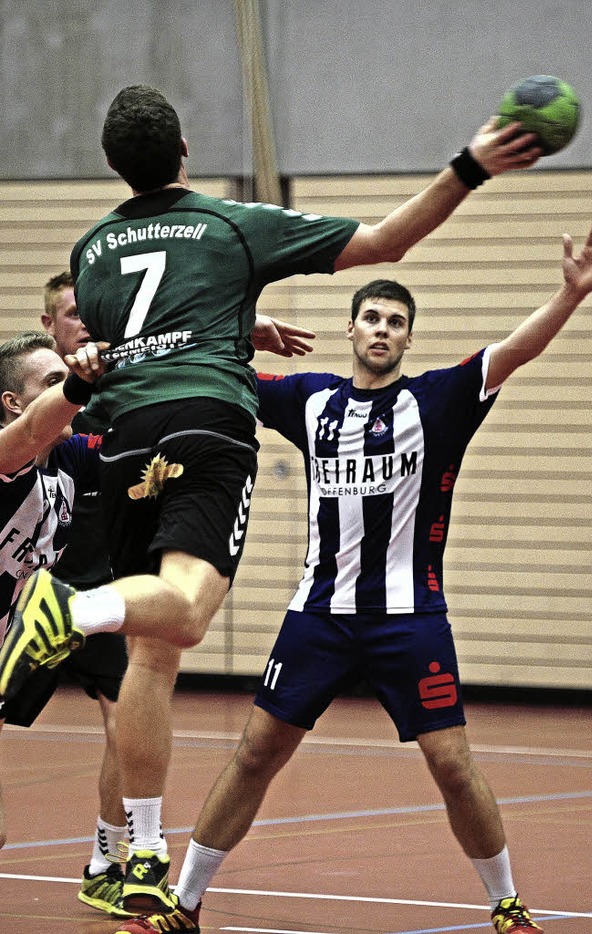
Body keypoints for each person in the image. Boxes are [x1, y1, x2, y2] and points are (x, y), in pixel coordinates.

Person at [0, 85, 542, 918]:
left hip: (127, 436)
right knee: (181, 615)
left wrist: (233, 327)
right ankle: (66, 611)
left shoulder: (95, 248)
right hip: (209, 425)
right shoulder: (227, 224)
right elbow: (388, 238)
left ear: (114, 165)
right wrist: (472, 165)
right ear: (184, 155)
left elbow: (136, 341)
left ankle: (142, 848)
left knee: (153, 650)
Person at [110, 216, 592, 934]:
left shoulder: (438, 401)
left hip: (411, 620)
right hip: (319, 614)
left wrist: (570, 296)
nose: (382, 330)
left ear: (408, 339)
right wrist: (244, 333)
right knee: (257, 751)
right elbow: (215, 372)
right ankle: (186, 903)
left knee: (451, 763)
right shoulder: (312, 399)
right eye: (371, 318)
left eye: (395, 322)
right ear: (352, 330)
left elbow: (513, 352)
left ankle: (507, 905)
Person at [40, 270, 132, 918]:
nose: (84, 322)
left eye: (92, 311)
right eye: (72, 313)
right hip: (28, 592)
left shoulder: (122, 396)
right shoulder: (31, 394)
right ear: (50, 324)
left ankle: (108, 855)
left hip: (99, 592)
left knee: (125, 725)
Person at [0, 332, 109, 849]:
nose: (66, 389)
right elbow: (27, 436)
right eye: (52, 382)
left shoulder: (71, 457)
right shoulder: (6, 453)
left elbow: (139, 438)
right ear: (13, 404)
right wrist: (79, 382)